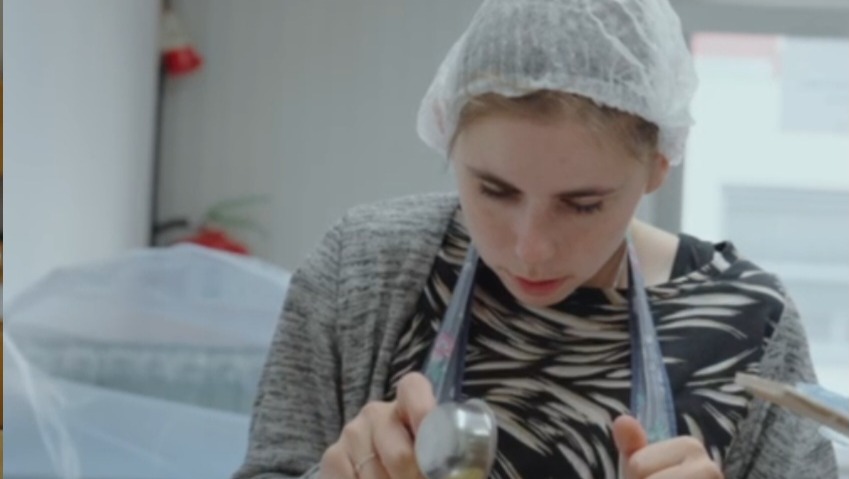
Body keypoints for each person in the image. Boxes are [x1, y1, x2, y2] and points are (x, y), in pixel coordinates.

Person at [233, 0, 838, 478]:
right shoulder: (363, 271)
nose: (531, 248)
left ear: (660, 164)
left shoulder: (750, 324)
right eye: (494, 191)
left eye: (583, 205)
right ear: (447, 134)